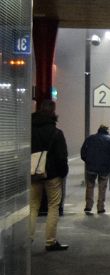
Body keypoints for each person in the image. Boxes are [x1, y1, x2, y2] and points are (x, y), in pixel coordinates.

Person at [29, 99, 69, 250]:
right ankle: (50, 241)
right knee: (53, 206)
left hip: (34, 173)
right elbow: (61, 157)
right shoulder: (56, 133)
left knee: (33, 206)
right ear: (53, 112)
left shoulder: (30, 130)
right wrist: (62, 173)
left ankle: (28, 239)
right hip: (52, 175)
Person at [80, 124, 110, 215]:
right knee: (102, 187)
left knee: (90, 186)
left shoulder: (89, 139)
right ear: (107, 131)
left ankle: (88, 205)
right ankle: (100, 207)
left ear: (98, 130)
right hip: (105, 167)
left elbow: (83, 152)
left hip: (91, 167)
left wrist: (87, 160)